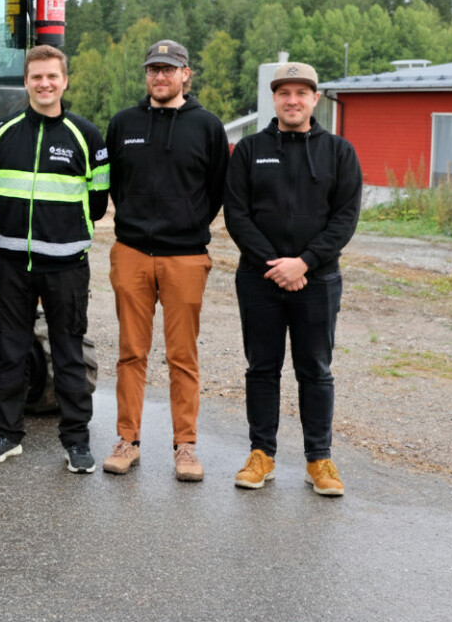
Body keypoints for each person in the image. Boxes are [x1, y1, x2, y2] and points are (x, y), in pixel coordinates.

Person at [223, 61, 362, 496]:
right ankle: (261, 454)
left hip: (317, 281)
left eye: (301, 93)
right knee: (262, 368)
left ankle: (318, 459)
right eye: (284, 92)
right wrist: (275, 265)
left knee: (315, 370)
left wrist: (303, 263)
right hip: (259, 279)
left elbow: (344, 220)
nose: (292, 100)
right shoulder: (248, 150)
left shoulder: (339, 152)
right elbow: (237, 215)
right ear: (274, 98)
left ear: (315, 99)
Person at [0, 44, 110, 473]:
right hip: (10, 263)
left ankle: (76, 442)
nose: (45, 83)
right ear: (26, 82)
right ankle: (7, 435)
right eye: (37, 77)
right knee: (11, 351)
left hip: (66, 266)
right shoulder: (1, 132)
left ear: (65, 80)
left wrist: (59, 234)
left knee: (68, 354)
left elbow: (97, 203)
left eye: (52, 76)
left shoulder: (86, 136)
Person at [102, 39, 229, 482]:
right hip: (133, 252)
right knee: (131, 352)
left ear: (185, 74)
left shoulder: (208, 127)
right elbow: (114, 184)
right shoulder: (123, 124)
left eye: (169, 69)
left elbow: (216, 189)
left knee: (182, 356)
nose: (160, 76)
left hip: (186, 257)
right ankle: (127, 440)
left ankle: (186, 446)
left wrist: (189, 225)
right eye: (153, 69)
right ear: (147, 75)